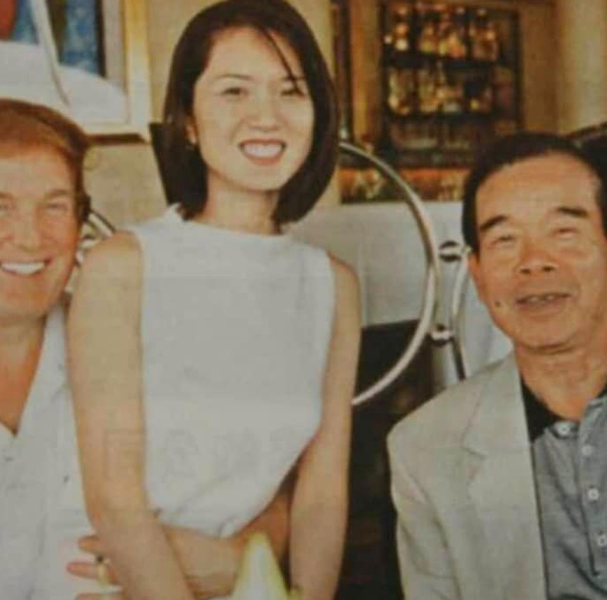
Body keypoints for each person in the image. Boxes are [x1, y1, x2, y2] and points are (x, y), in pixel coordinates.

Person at [0, 98, 287, 600]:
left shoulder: (129, 343)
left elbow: (266, 477)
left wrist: (238, 556)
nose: (31, 238)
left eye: (54, 206)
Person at [68, 1, 361, 599]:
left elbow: (322, 494)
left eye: (290, 91)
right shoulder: (124, 266)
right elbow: (115, 501)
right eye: (234, 92)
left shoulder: (332, 284)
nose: (266, 117)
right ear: (189, 121)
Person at [388, 132, 607, 599]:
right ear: (478, 276)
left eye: (564, 233)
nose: (534, 263)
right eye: (505, 240)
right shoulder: (425, 449)